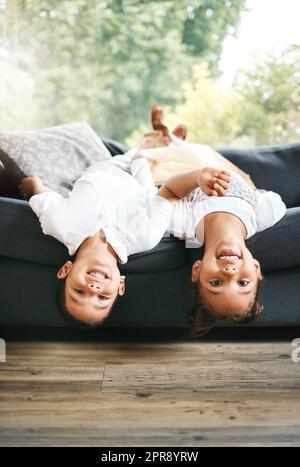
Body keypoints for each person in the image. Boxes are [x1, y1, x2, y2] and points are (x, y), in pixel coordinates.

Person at [18, 147, 230, 327]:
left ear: (65, 270)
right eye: (102, 298)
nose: (93, 289)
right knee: (147, 166)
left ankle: (150, 143)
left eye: (79, 292)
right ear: (120, 286)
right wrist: (197, 177)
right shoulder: (144, 237)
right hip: (142, 185)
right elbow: (170, 193)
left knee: (136, 152)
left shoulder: (59, 224)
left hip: (107, 166)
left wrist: (32, 185)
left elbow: (43, 196)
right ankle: (153, 145)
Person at [127, 110, 287, 337]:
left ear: (197, 270)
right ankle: (174, 138)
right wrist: (255, 192)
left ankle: (160, 135)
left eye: (215, 282)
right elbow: (275, 200)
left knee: (146, 153)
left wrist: (196, 178)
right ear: (256, 269)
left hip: (169, 168)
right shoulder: (262, 215)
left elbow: (167, 190)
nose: (230, 272)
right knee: (196, 151)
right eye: (243, 283)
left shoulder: (184, 224)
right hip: (210, 160)